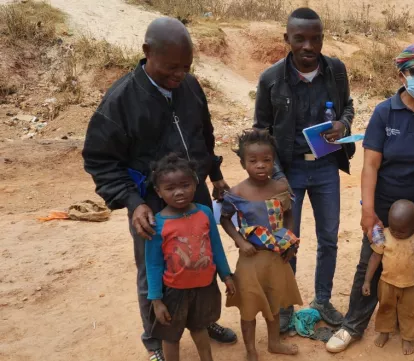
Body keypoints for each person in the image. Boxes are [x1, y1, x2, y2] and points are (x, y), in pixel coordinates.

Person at [82, 17, 237, 361]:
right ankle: (155, 339)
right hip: (151, 204)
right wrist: (133, 201)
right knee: (152, 269)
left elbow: (204, 136)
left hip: (194, 194)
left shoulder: (191, 87)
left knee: (202, 258)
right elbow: (99, 159)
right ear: (147, 52)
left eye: (185, 66)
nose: (178, 75)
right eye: (171, 67)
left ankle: (204, 320)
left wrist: (215, 175)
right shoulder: (120, 101)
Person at [326, 43, 414, 353]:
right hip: (384, 208)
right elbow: (371, 164)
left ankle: (403, 319)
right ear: (402, 74)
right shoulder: (385, 112)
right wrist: (368, 211)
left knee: (410, 263)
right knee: (370, 264)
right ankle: (353, 325)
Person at [253, 7, 355, 330]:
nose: (308, 47)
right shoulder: (271, 79)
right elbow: (261, 130)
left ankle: (322, 300)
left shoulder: (336, 72)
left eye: (315, 39)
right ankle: (285, 306)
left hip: (326, 168)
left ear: (323, 39)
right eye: (300, 39)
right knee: (288, 240)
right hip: (289, 172)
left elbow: (349, 106)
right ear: (287, 39)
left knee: (329, 238)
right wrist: (275, 176)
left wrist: (343, 123)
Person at [220, 129, 303, 361]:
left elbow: (288, 216)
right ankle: (250, 350)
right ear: (243, 162)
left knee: (274, 301)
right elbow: (224, 219)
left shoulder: (279, 189)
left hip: (276, 258)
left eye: (267, 160)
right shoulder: (236, 193)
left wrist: (290, 243)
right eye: (253, 161)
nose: (260, 166)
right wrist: (239, 241)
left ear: (273, 161)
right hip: (250, 259)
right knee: (248, 306)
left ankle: (274, 343)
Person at [145, 154, 236, 361]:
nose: (179, 192)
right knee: (171, 336)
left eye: (185, 185)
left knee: (200, 328)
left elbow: (216, 247)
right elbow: (153, 264)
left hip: (205, 287)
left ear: (195, 183)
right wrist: (156, 300)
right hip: (173, 292)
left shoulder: (204, 213)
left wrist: (226, 275)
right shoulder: (157, 224)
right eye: (170, 188)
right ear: (158, 192)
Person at [362, 200, 414, 355]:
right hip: (386, 283)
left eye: (401, 231)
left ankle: (407, 338)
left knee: (410, 312)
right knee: (385, 308)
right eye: (393, 228)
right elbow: (375, 258)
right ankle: (384, 332)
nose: (395, 233)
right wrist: (367, 280)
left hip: (409, 285)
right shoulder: (385, 235)